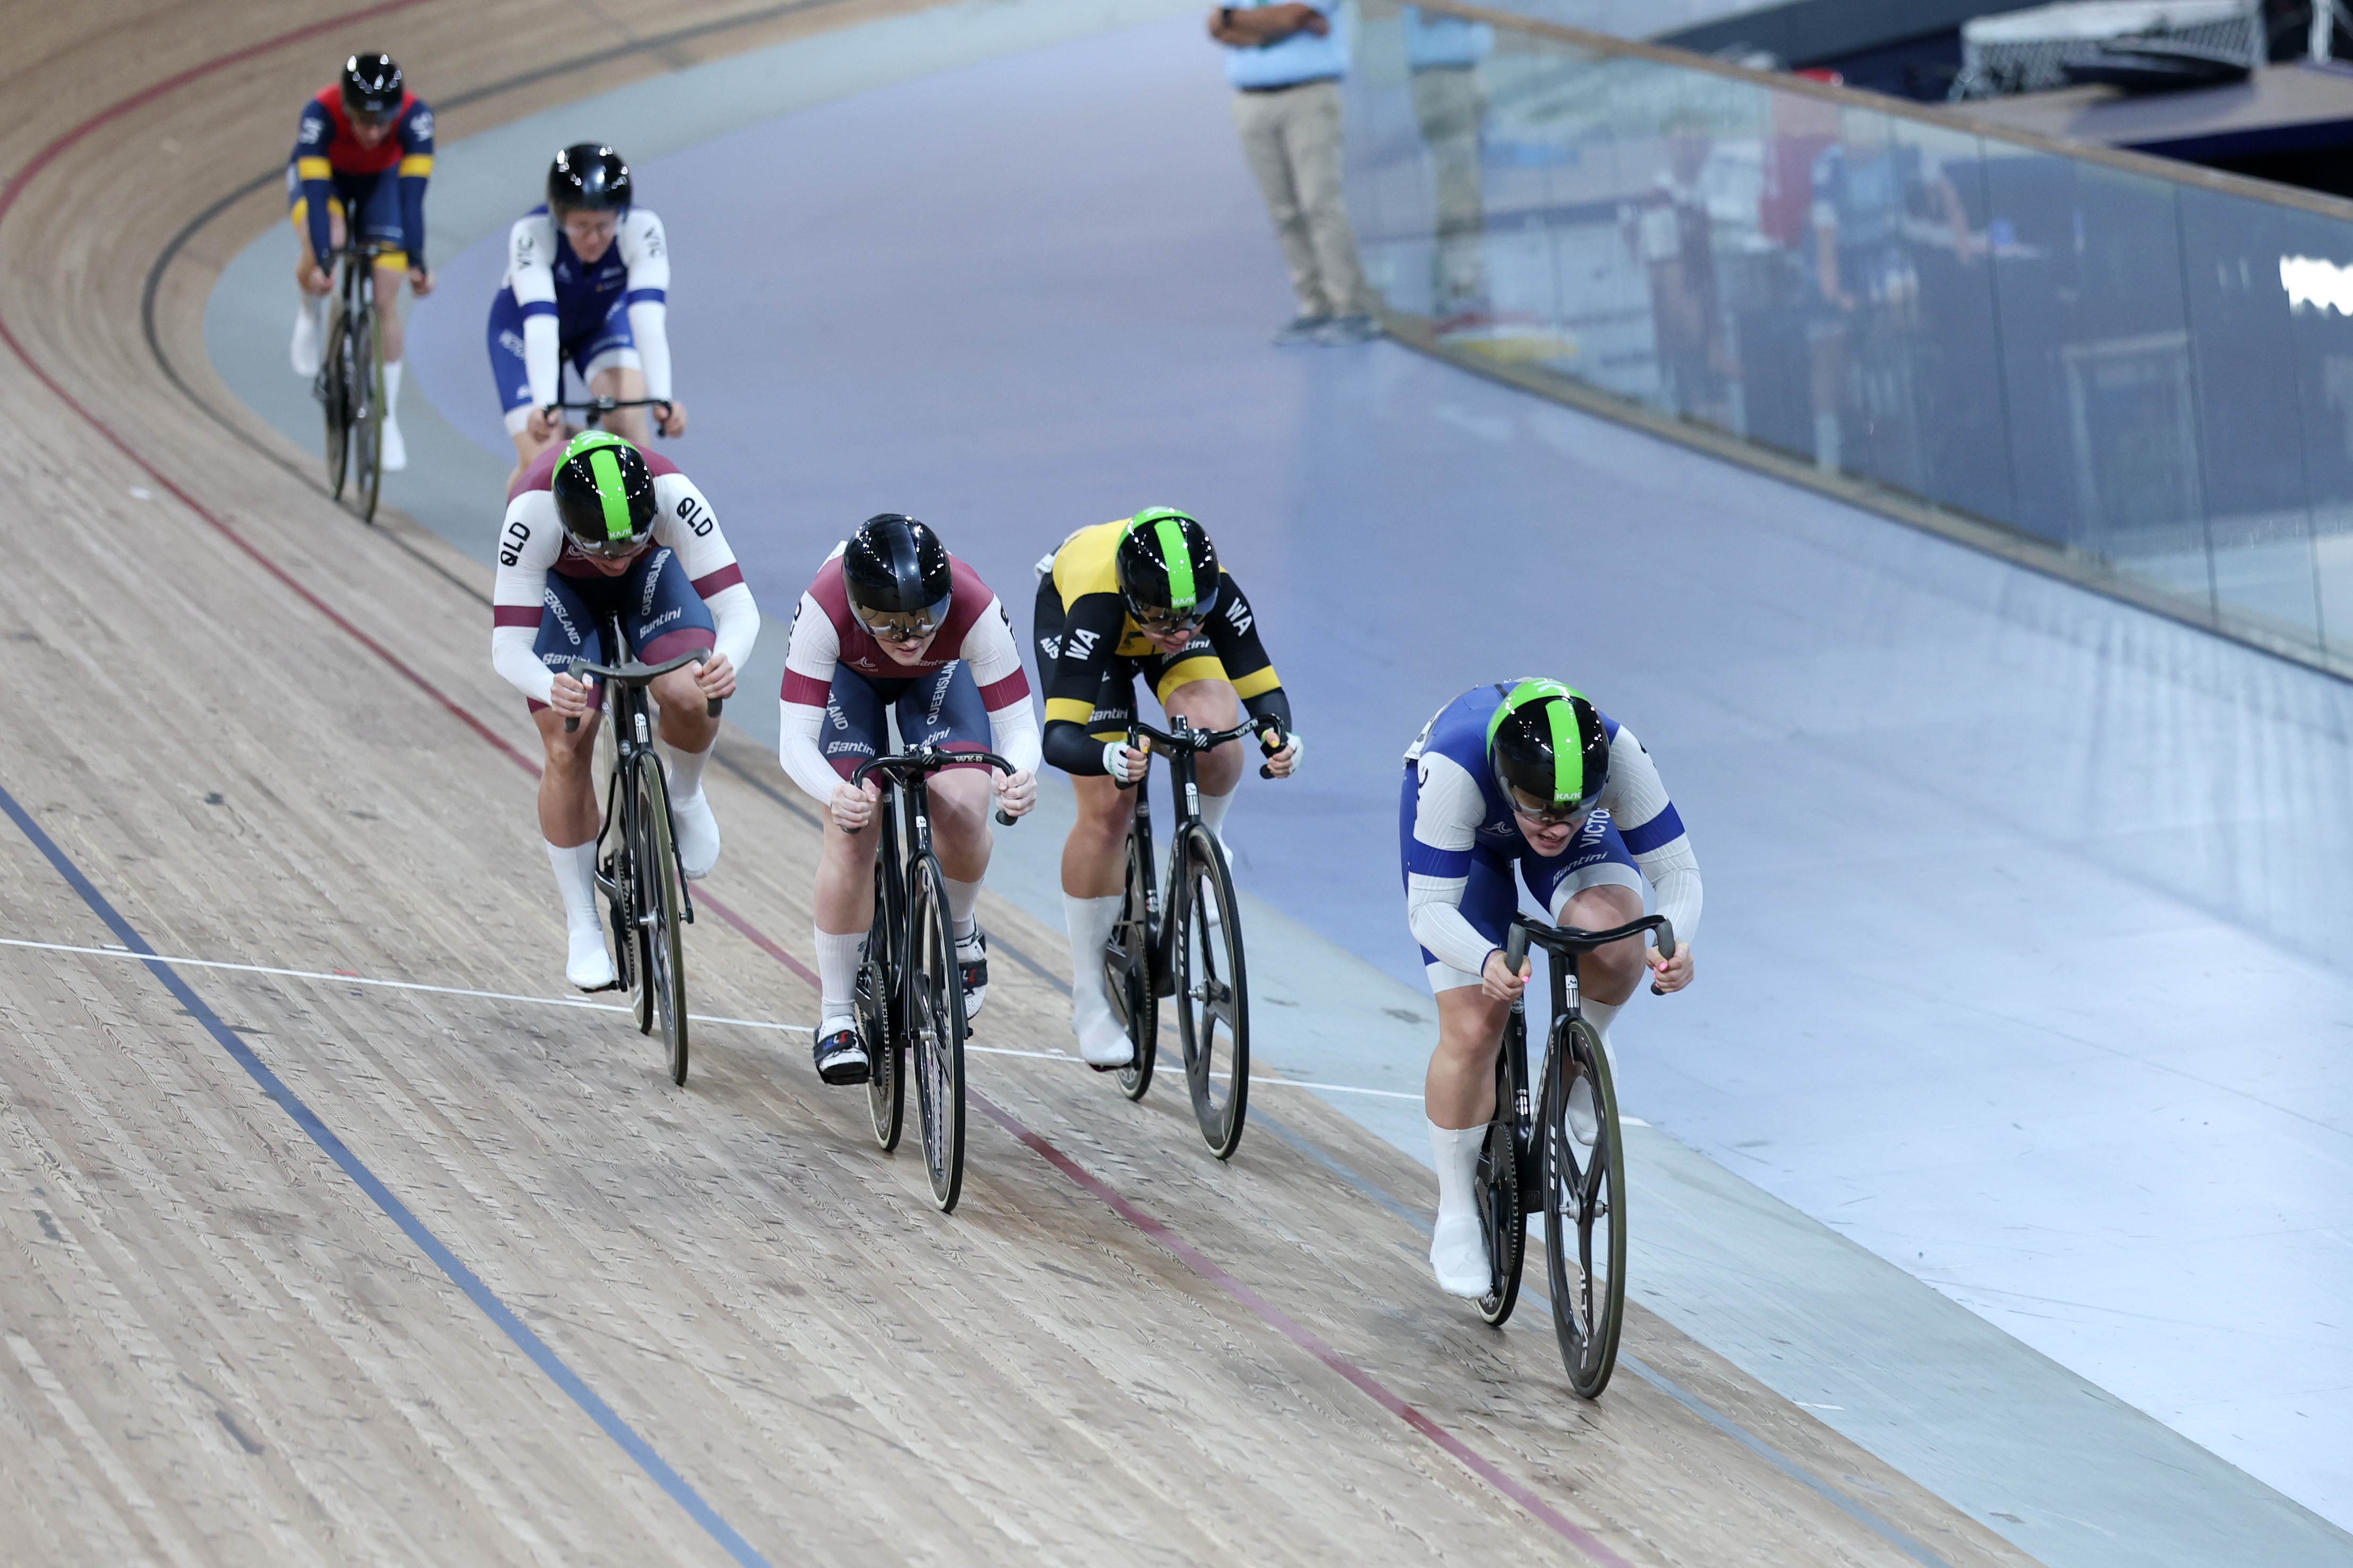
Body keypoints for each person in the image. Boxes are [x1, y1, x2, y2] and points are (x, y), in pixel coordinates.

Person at [1400, 679, 1700, 1296]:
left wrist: (1675, 945)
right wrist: (1484, 958)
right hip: (1472, 838)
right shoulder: (1454, 766)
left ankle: (1582, 1045)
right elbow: (1427, 910)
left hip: (1520, 804)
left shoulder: (1615, 755)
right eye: (1536, 806)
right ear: (1510, 782)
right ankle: (1456, 1207)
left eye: (1570, 809)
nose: (1553, 825)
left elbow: (1676, 871)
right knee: (1475, 1022)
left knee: (1614, 940)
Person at [777, 516, 1042, 1085]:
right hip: (851, 684)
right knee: (852, 828)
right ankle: (836, 1017)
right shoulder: (824, 607)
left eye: (925, 619)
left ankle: (962, 930)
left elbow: (1019, 724)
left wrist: (1018, 775)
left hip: (938, 682)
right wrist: (835, 792)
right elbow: (793, 742)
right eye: (888, 624)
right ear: (856, 606)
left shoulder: (974, 605)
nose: (909, 637)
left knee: (966, 803)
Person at [1034, 509, 1302, 1066]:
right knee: (1109, 806)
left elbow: (1261, 687)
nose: (1178, 636)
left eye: (1191, 623)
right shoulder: (1097, 606)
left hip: (1142, 617)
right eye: (1164, 624)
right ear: (1136, 602)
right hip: (1087, 635)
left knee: (1217, 740)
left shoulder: (1209, 598)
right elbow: (1058, 738)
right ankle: (1088, 999)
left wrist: (1279, 737)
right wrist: (1107, 753)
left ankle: (1209, 844)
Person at [490, 433, 757, 989]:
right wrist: (549, 684)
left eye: (626, 544)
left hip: (652, 579)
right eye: (600, 549)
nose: (613, 561)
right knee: (568, 741)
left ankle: (683, 795)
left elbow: (737, 608)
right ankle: (583, 925)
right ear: (567, 523)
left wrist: (725, 660)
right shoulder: (532, 509)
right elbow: (507, 647)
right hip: (565, 593)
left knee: (690, 691)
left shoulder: (672, 493)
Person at [490, 144, 687, 487]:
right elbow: (540, 326)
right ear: (558, 216)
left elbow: (649, 323)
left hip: (599, 325)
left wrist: (663, 399)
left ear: (621, 216)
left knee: (628, 424)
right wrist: (545, 405)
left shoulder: (643, 230)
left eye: (604, 225)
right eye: (581, 226)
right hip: (523, 328)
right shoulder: (532, 233)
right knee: (544, 460)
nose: (594, 238)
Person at [287, 53, 435, 471]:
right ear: (346, 109)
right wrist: (324, 260)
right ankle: (308, 313)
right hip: (326, 181)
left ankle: (386, 418)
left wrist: (418, 262)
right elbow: (316, 194)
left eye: (380, 123)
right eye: (362, 121)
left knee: (386, 291)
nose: (371, 132)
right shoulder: (320, 113)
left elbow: (411, 199)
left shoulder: (415, 118)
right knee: (327, 243)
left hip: (382, 184)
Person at [1208, 2, 1381, 345]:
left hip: (1308, 97)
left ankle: (1351, 307)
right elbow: (1217, 27)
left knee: (1320, 202)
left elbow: (1291, 16)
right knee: (1282, 210)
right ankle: (1314, 305)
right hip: (1251, 102)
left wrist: (1242, 23)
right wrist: (1277, 25)